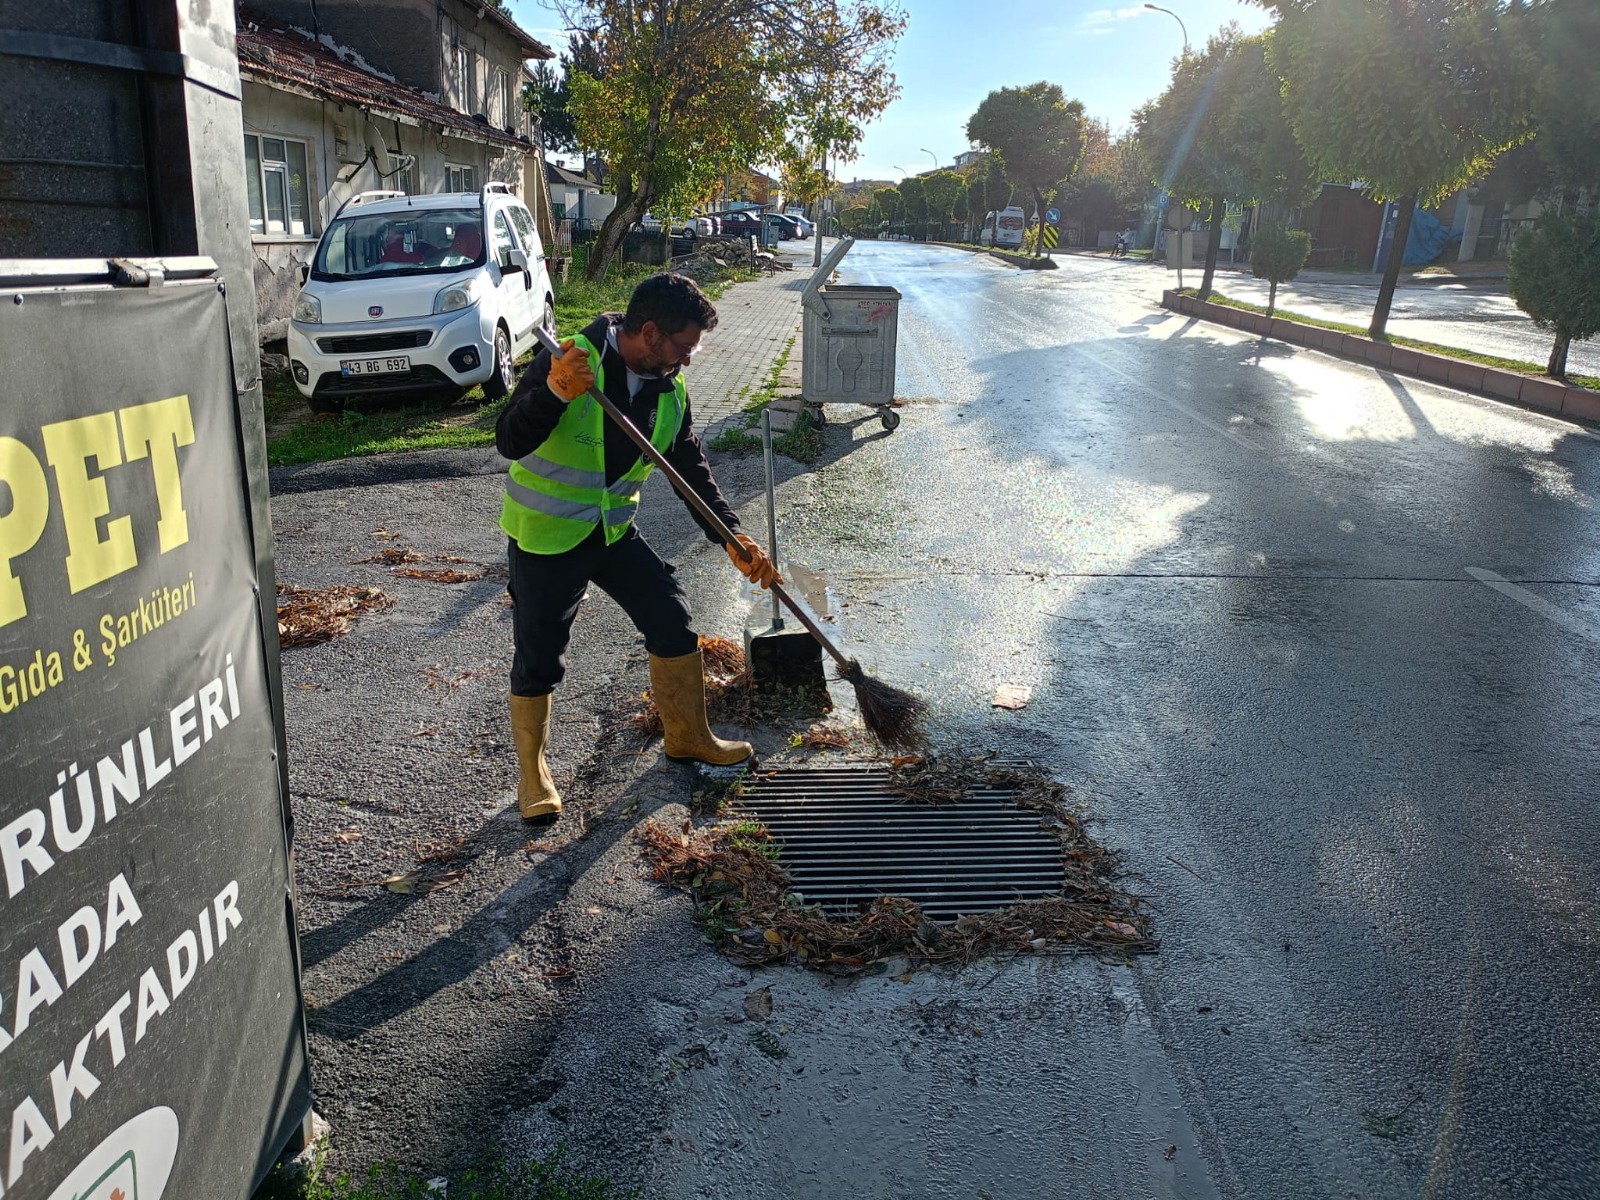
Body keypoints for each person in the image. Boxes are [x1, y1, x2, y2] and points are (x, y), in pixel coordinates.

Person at [494, 272, 778, 825]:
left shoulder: (669, 387)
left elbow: (688, 467)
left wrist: (731, 537)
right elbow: (509, 439)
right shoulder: (570, 360)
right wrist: (553, 393)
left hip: (613, 533)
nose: (689, 360)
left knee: (671, 618)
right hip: (548, 537)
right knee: (539, 655)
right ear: (649, 332)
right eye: (683, 346)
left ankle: (688, 736)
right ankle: (534, 774)